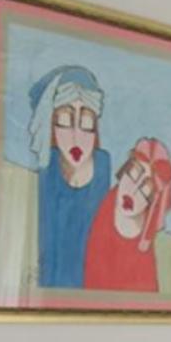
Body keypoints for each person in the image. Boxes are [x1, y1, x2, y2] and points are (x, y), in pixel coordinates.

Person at [26, 65, 113, 289]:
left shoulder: (103, 168)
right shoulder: (47, 172)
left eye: (87, 123)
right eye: (64, 121)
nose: (76, 136)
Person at [83, 137, 171, 293]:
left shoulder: (144, 249)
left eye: (146, 188)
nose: (133, 191)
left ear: (153, 203)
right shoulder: (103, 207)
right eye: (134, 173)